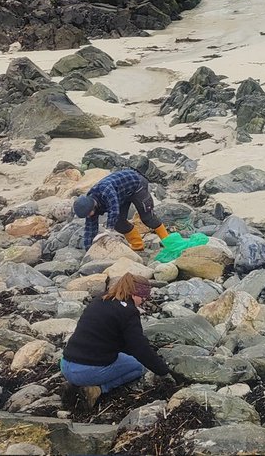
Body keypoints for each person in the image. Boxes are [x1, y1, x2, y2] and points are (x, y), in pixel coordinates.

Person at [60, 273, 171, 408]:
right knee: (138, 366)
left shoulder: (100, 300)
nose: (143, 301)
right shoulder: (128, 312)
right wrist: (163, 371)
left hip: (66, 365)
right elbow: (139, 349)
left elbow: (114, 339)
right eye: (143, 297)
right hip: (85, 372)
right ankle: (98, 389)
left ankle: (74, 385)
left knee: (122, 356)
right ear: (135, 294)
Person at [73, 168, 169, 252]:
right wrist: (89, 251)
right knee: (118, 223)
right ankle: (138, 246)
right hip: (122, 194)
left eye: (89, 214)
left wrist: (108, 230)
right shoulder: (89, 207)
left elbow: (114, 209)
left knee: (148, 218)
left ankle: (170, 243)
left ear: (93, 206)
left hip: (136, 184)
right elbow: (90, 230)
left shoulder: (105, 190)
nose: (89, 216)